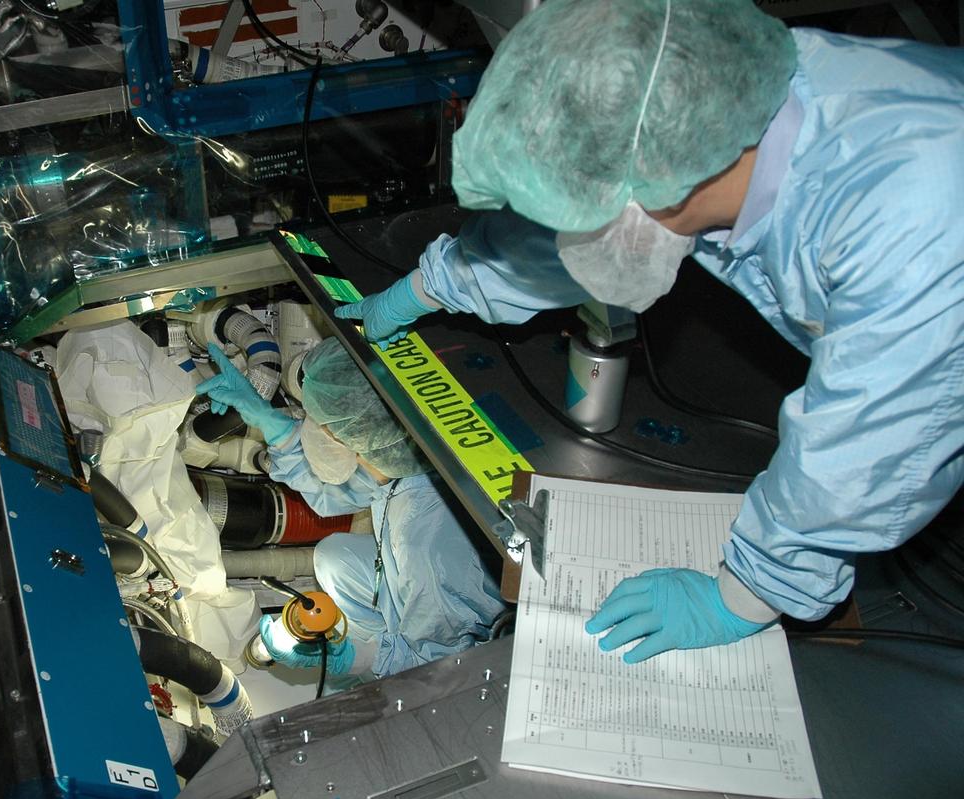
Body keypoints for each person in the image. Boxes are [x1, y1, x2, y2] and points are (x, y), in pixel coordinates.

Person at [336, 0, 964, 663]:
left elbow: (867, 449)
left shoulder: (915, 221)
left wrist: (744, 593)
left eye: (587, 210)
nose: (577, 232)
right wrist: (426, 286)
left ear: (658, 193)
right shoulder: (714, 107)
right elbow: (558, 238)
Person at [196, 337, 505, 678]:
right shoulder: (403, 458)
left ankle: (384, 656)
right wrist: (268, 420)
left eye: (319, 423)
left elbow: (437, 660)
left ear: (353, 439)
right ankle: (388, 634)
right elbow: (338, 491)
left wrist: (351, 659)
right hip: (422, 579)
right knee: (333, 558)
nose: (306, 426)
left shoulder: (426, 548)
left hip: (447, 617)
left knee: (403, 654)